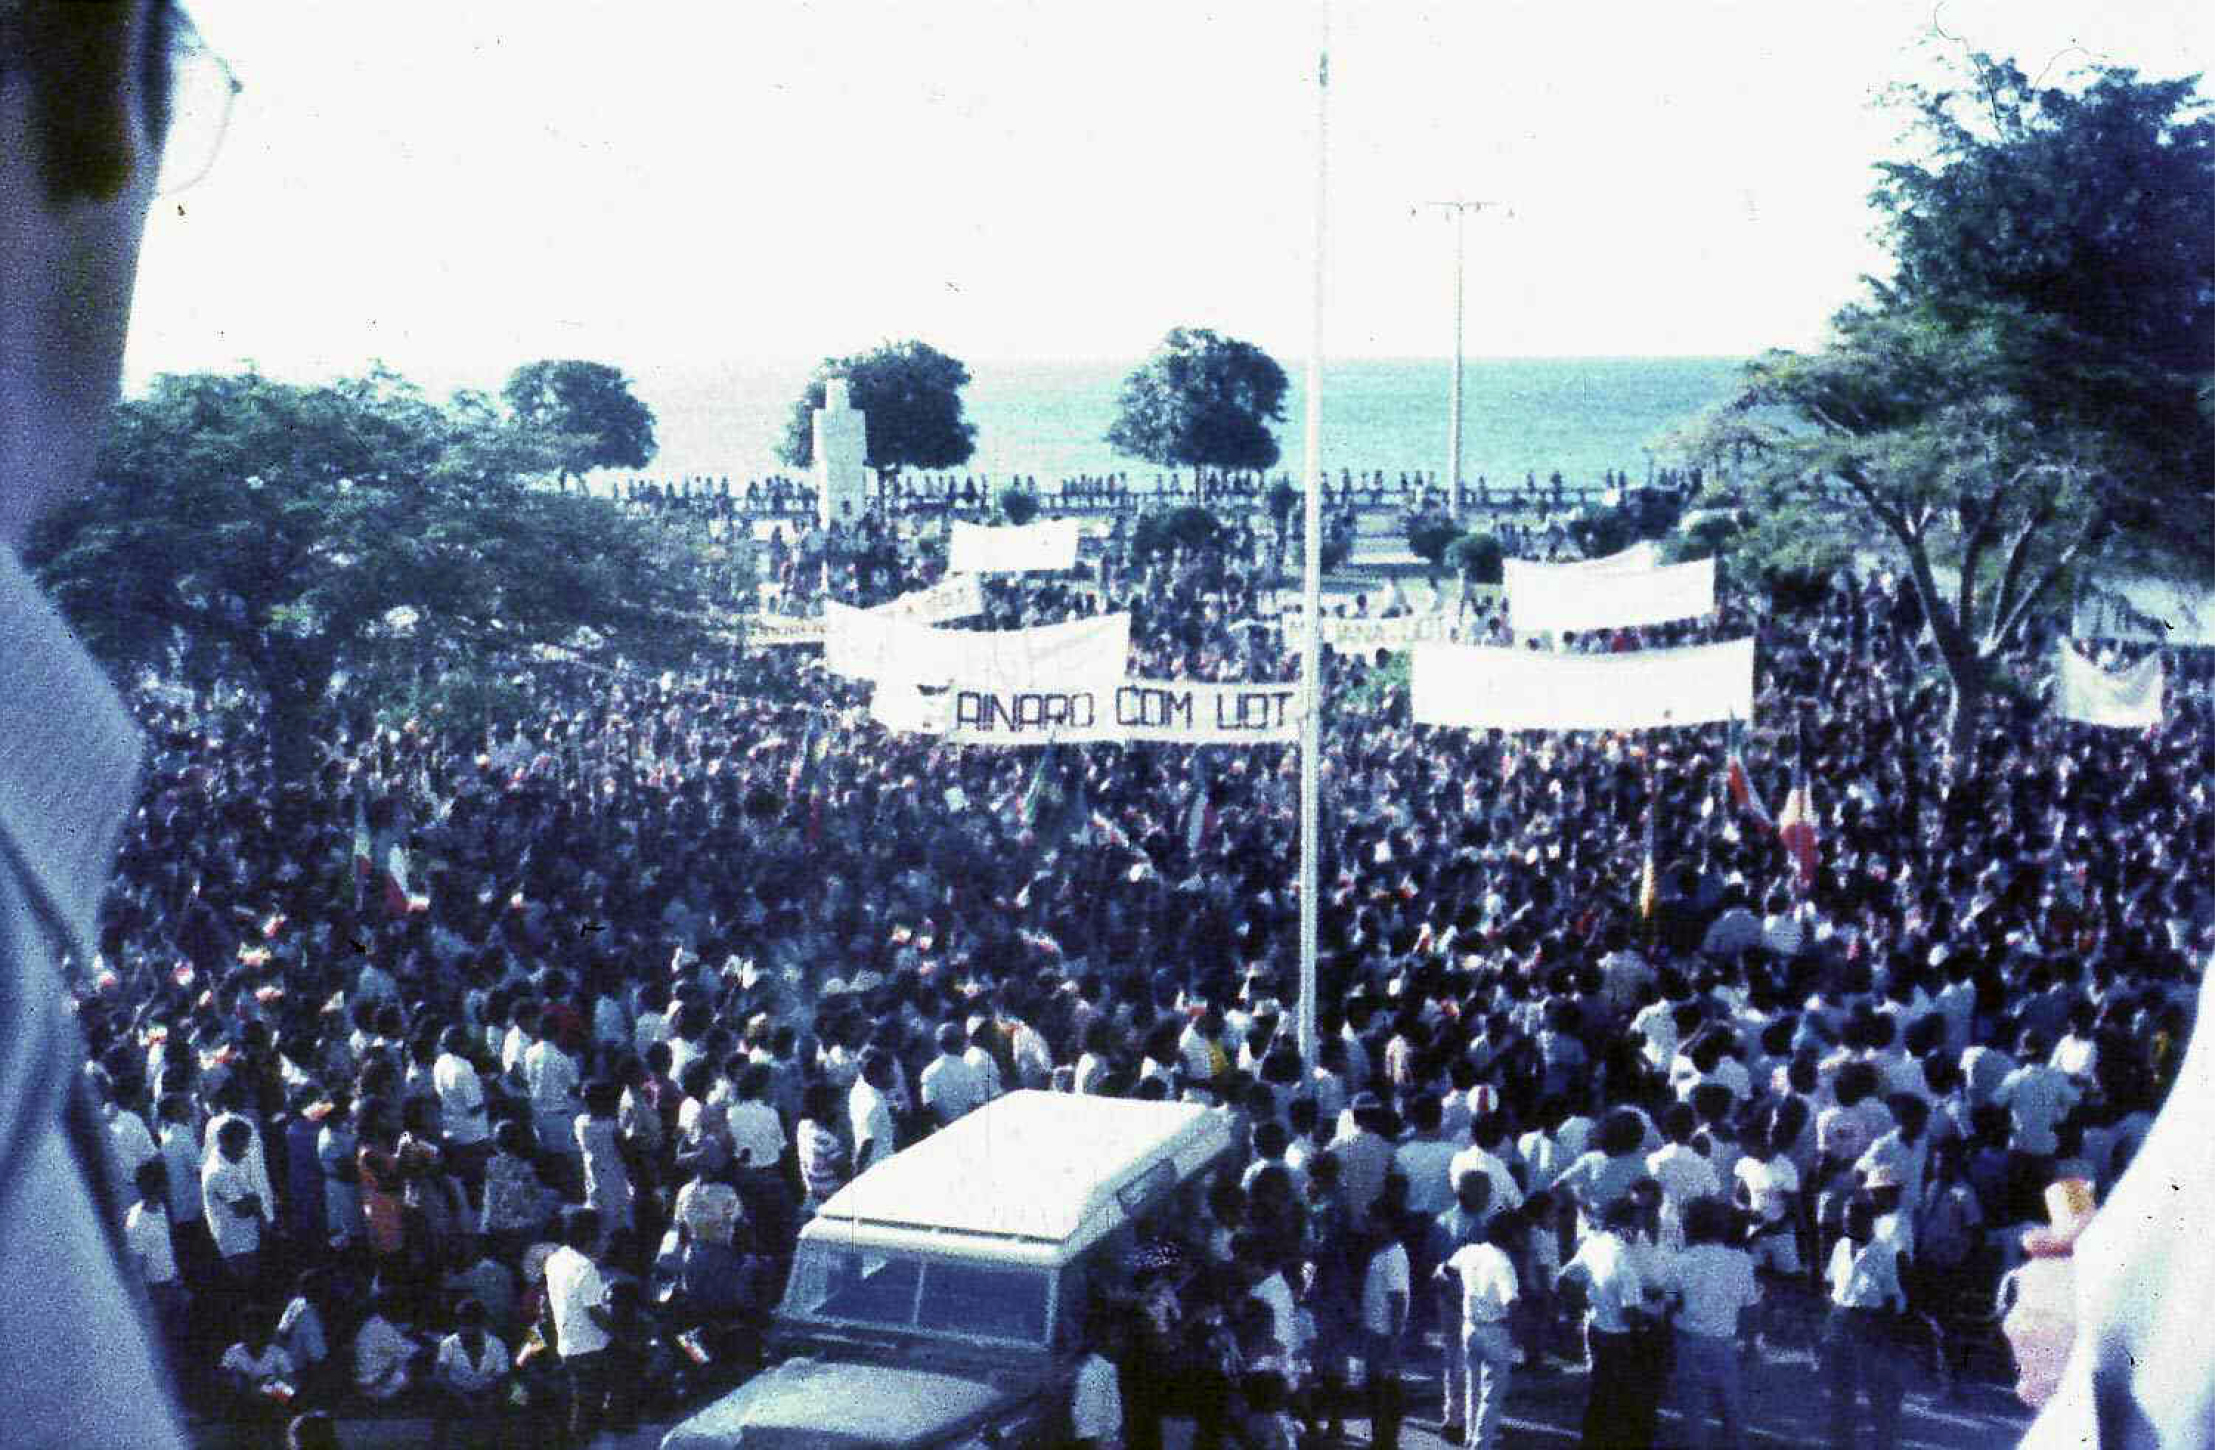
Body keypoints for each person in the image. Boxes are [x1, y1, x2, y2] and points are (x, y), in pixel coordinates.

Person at [1667, 1196, 1760, 1450]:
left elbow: (1671, 1302)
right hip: (1725, 1343)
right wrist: (1750, 1343)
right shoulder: (1741, 1261)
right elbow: (1750, 1307)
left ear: (1688, 1227)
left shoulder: (1680, 1262)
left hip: (1688, 1341)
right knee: (1732, 1409)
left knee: (1694, 1414)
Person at [1822, 1195, 1906, 1450]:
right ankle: (1841, 1442)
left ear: (1869, 1221)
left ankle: (1883, 1442)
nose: (1848, 1224)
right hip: (1839, 1319)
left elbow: (1892, 1295)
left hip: (1869, 1322)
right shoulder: (1840, 1246)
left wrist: (1882, 1338)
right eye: (1845, 1220)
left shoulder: (1884, 1251)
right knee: (1840, 1389)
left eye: (1853, 1220)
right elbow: (1830, 1281)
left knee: (1875, 1389)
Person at [1436, 1209, 1520, 1450]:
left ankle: (1470, 1438)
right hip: (1495, 1330)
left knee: (1472, 1390)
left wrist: (1454, 1298)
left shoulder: (1469, 1251)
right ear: (1511, 1235)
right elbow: (1511, 1302)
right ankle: (1480, 1445)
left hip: (1469, 1326)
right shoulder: (1504, 1263)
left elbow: (1444, 1272)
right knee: (1491, 1396)